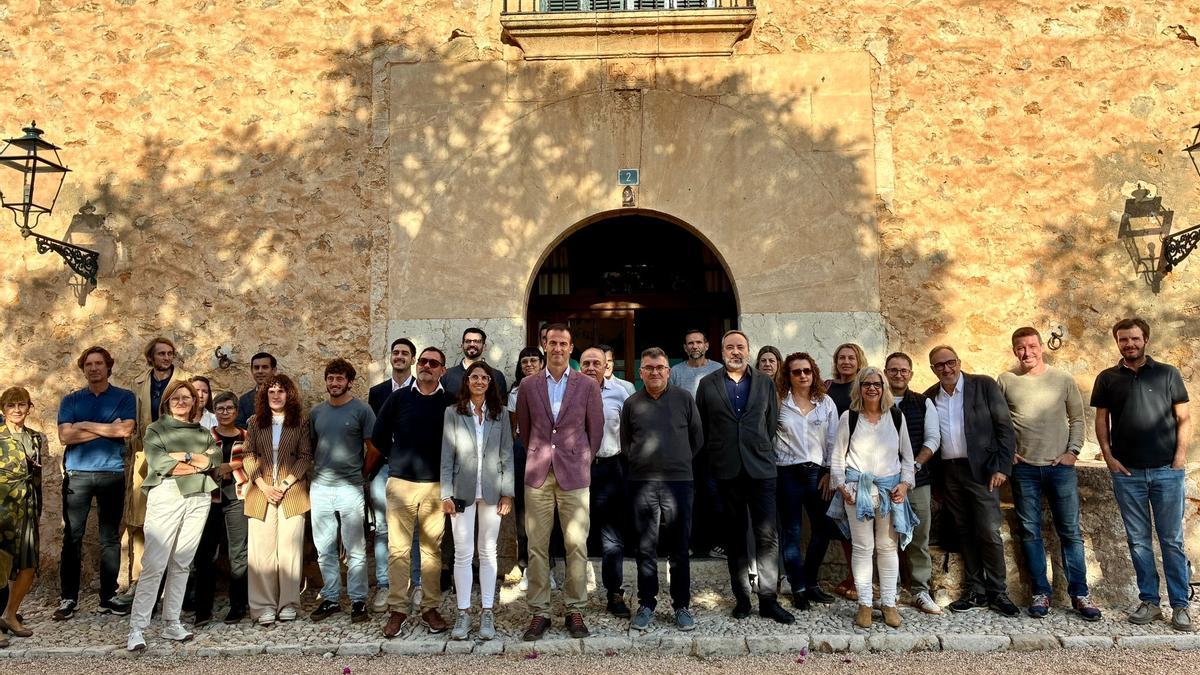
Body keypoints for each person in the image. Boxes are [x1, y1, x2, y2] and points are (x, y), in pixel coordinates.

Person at [1091, 318, 1191, 631]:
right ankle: (1149, 601)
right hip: (1128, 474)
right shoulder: (1107, 378)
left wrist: (1179, 459)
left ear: (1145, 339)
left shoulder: (1168, 373)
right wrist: (1108, 457)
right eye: (1124, 340)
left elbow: (1184, 418)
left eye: (1135, 339)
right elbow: (1101, 420)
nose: (1130, 344)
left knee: (1172, 540)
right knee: (1137, 541)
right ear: (1117, 342)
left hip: (1166, 472)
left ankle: (1180, 605)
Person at [998, 328, 1099, 621]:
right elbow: (998, 421)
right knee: (1031, 533)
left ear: (1041, 347)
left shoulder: (1062, 379)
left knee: (1070, 532)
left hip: (1060, 468)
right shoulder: (1006, 380)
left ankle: (1080, 594)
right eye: (1020, 347)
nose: (1026, 352)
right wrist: (1009, 452)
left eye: (1031, 346)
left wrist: (1073, 452)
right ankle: (1041, 593)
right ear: (1014, 350)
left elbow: (1077, 418)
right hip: (1024, 469)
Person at [694, 330, 794, 624]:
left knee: (767, 537)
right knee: (734, 537)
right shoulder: (707, 384)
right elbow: (703, 426)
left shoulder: (764, 383)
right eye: (729, 347)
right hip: (726, 471)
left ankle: (768, 600)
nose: (735, 351)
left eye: (740, 347)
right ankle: (741, 599)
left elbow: (771, 422)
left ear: (747, 350)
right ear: (721, 351)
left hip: (761, 469)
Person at [516, 323, 604, 641]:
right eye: (551, 342)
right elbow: (525, 431)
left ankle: (574, 609)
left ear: (571, 348)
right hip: (538, 474)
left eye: (563, 343)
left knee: (576, 545)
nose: (557, 348)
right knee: (537, 546)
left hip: (575, 475)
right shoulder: (528, 385)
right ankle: (540, 612)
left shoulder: (587, 385)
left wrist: (581, 457)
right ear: (544, 345)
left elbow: (595, 429)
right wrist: (541, 454)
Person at [924, 345, 1020, 617]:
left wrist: (1002, 467)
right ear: (933, 369)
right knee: (964, 531)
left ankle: (998, 592)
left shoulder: (983, 385)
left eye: (950, 362)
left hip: (983, 471)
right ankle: (976, 591)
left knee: (988, 531)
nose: (946, 369)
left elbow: (1005, 427)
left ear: (959, 362)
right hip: (950, 472)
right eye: (939, 365)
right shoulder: (931, 396)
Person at [126, 381, 220, 651]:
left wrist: (184, 456)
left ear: (194, 402)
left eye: (187, 397)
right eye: (176, 397)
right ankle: (138, 628)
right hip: (167, 495)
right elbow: (160, 464)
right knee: (155, 563)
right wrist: (195, 462)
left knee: (182, 562)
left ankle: (172, 623)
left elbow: (214, 459)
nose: (181, 401)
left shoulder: (202, 431)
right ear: (167, 401)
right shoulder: (156, 429)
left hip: (199, 497)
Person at [373, 347, 454, 638]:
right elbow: (379, 435)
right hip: (401, 484)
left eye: (434, 363)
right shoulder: (398, 398)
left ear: (442, 370)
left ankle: (430, 607)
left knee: (432, 552)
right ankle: (398, 610)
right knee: (398, 551)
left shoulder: (449, 403)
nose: (427, 366)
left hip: (435, 487)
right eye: (424, 361)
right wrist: (397, 457)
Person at [621, 347, 704, 632]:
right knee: (645, 548)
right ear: (641, 372)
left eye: (660, 368)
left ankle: (681, 606)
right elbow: (626, 442)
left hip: (679, 482)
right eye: (649, 368)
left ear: (668, 371)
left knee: (679, 547)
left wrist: (676, 461)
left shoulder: (684, 399)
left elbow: (697, 439)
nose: (654, 372)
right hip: (642, 483)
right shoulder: (632, 403)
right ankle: (646, 603)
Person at [828, 367, 917, 629]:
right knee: (863, 548)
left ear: (884, 387)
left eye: (876, 384)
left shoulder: (896, 417)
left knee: (887, 548)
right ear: (859, 388)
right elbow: (837, 455)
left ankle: (888, 603)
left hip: (890, 491)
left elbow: (907, 457)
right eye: (866, 384)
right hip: (858, 491)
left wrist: (904, 484)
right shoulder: (850, 417)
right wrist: (842, 486)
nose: (872, 388)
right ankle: (865, 604)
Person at [55, 346, 136, 620]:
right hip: (77, 474)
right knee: (72, 537)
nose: (93, 368)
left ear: (108, 366)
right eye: (88, 364)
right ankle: (68, 598)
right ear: (83, 368)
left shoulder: (124, 397)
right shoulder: (71, 400)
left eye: (99, 363)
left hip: (111, 474)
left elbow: (125, 430)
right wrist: (105, 428)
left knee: (109, 539)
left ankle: (108, 597)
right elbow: (65, 436)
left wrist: (83, 425)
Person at [440, 362, 515, 641]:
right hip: (461, 491)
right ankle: (462, 613)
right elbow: (447, 456)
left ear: (491, 383)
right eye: (475, 377)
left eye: (485, 378)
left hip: (493, 491)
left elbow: (507, 454)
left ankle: (486, 612)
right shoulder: (453, 413)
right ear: (467, 381)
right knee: (462, 552)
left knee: (488, 551)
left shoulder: (501, 415)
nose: (480, 381)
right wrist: (445, 494)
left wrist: (508, 492)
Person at [242, 373, 312, 627]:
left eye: (280, 391)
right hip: (260, 492)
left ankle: (289, 603)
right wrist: (262, 485)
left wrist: (283, 485)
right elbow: (248, 455)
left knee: (289, 551)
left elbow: (305, 456)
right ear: (264, 395)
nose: (276, 395)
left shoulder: (300, 422)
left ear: (288, 394)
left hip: (291, 491)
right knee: (261, 552)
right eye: (271, 391)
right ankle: (263, 606)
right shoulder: (254, 422)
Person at [309, 359, 376, 624]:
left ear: (349, 382)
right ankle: (331, 598)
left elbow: (373, 447)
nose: (334, 383)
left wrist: (362, 473)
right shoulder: (316, 413)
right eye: (330, 378)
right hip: (321, 487)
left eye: (340, 379)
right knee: (324, 548)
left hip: (350, 488)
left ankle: (358, 601)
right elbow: (313, 447)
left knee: (355, 549)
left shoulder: (362, 410)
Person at [773, 352, 839, 610]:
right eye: (796, 371)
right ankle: (797, 587)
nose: (802, 375)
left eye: (806, 371)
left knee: (822, 531)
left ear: (814, 373)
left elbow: (833, 440)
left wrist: (829, 472)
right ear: (788, 376)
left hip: (818, 474)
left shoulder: (826, 403)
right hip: (787, 472)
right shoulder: (779, 402)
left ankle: (811, 583)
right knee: (791, 532)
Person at [128, 337, 192, 601]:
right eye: (161, 354)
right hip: (145, 454)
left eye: (170, 353)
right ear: (151, 357)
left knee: (179, 517)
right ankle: (141, 580)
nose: (166, 358)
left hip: (178, 452)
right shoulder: (139, 383)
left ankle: (173, 585)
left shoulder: (185, 379)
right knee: (141, 519)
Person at [883, 352, 943, 615]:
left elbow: (932, 439)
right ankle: (891, 589)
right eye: (893, 370)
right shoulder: (875, 401)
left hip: (918, 481)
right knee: (887, 538)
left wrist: (915, 466)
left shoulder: (923, 403)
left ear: (911, 374)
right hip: (884, 481)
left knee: (919, 537)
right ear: (886, 372)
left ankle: (920, 590)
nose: (898, 374)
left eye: (903, 370)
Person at [367, 337, 419, 614]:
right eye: (395, 352)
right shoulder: (377, 392)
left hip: (413, 470)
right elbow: (373, 435)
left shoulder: (422, 389)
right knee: (382, 529)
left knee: (416, 531)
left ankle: (418, 583)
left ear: (413, 359)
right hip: (385, 467)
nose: (399, 356)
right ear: (391, 358)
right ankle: (385, 585)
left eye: (404, 353)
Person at [580, 346, 632, 618]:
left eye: (596, 363)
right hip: (576, 472)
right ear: (580, 366)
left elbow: (632, 430)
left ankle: (614, 593)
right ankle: (575, 599)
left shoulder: (620, 393)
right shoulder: (569, 392)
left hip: (610, 468)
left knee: (612, 538)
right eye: (586, 362)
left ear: (605, 367)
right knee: (575, 535)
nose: (590, 367)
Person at [191, 390, 250, 626]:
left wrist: (223, 466)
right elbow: (199, 463)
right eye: (220, 409)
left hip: (237, 497)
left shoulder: (247, 436)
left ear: (236, 411)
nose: (225, 413)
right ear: (215, 413)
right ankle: (202, 608)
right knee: (206, 554)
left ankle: (238, 606)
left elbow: (254, 461)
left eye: (229, 408)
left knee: (238, 553)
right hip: (209, 499)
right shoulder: (206, 436)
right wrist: (230, 465)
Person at [667, 329, 724, 559]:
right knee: (685, 497)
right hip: (684, 445)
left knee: (712, 495)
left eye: (698, 342)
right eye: (690, 343)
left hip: (712, 446)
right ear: (685, 347)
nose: (694, 346)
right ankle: (685, 544)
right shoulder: (676, 373)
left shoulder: (718, 370)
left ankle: (715, 544)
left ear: (707, 345)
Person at [0, 387, 47, 639]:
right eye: (10, 405)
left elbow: (37, 476)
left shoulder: (35, 438)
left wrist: (37, 508)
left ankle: (9, 614)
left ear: (29, 407)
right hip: (1, 507)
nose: (17, 410)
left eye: (21, 405)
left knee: (28, 565)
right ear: (3, 409)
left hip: (26, 507)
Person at [824, 342, 865, 598]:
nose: (846, 362)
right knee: (843, 524)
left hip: (862, 463)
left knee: (864, 524)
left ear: (859, 360)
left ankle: (862, 580)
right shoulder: (827, 388)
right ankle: (853, 576)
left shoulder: (866, 386)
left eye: (851, 357)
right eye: (842, 357)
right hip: (837, 463)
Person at [508, 347, 546, 590]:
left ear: (542, 363)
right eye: (525, 361)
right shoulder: (514, 391)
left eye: (534, 360)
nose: (529, 365)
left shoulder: (551, 387)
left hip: (546, 449)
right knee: (523, 511)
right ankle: (525, 567)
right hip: (523, 449)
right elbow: (513, 428)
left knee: (547, 509)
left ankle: (547, 568)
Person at [441, 327, 509, 400]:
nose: (472, 344)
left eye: (477, 341)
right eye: (468, 341)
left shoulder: (496, 376)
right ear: (462, 345)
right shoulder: (447, 375)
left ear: (484, 346)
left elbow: (501, 407)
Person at [236, 352, 277, 429]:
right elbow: (238, 426)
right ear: (251, 370)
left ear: (274, 370)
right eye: (256, 367)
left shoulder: (284, 397)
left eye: (265, 367)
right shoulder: (244, 400)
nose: (260, 371)